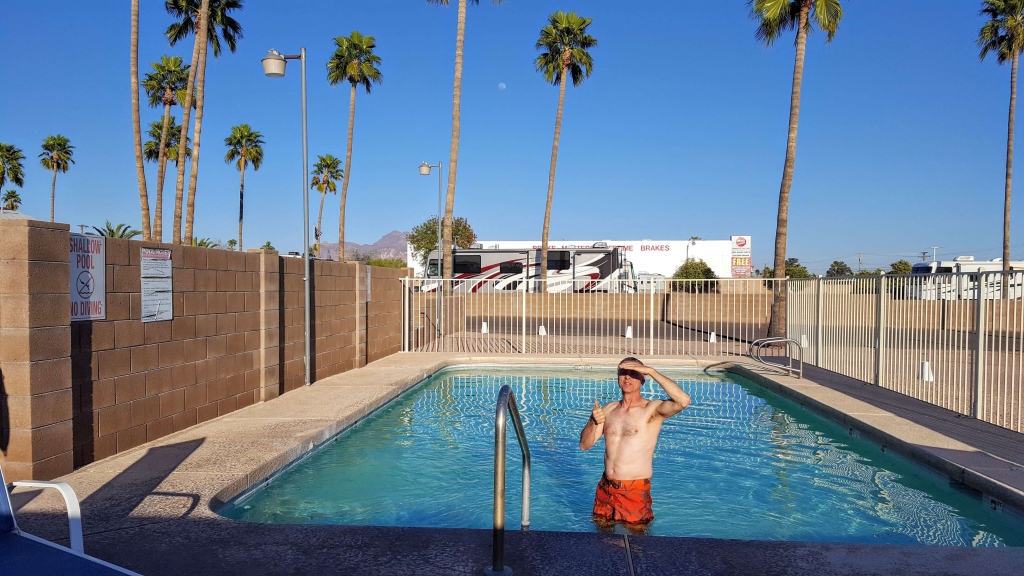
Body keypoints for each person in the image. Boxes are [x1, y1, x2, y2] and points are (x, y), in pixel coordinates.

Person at [579, 357, 691, 529]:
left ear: (643, 378)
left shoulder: (652, 410)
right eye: (623, 373)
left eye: (633, 373)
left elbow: (683, 401)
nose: (627, 378)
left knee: (638, 545)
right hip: (606, 487)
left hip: (634, 490)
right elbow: (584, 445)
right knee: (600, 542)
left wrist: (652, 372)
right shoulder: (609, 409)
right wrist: (592, 421)